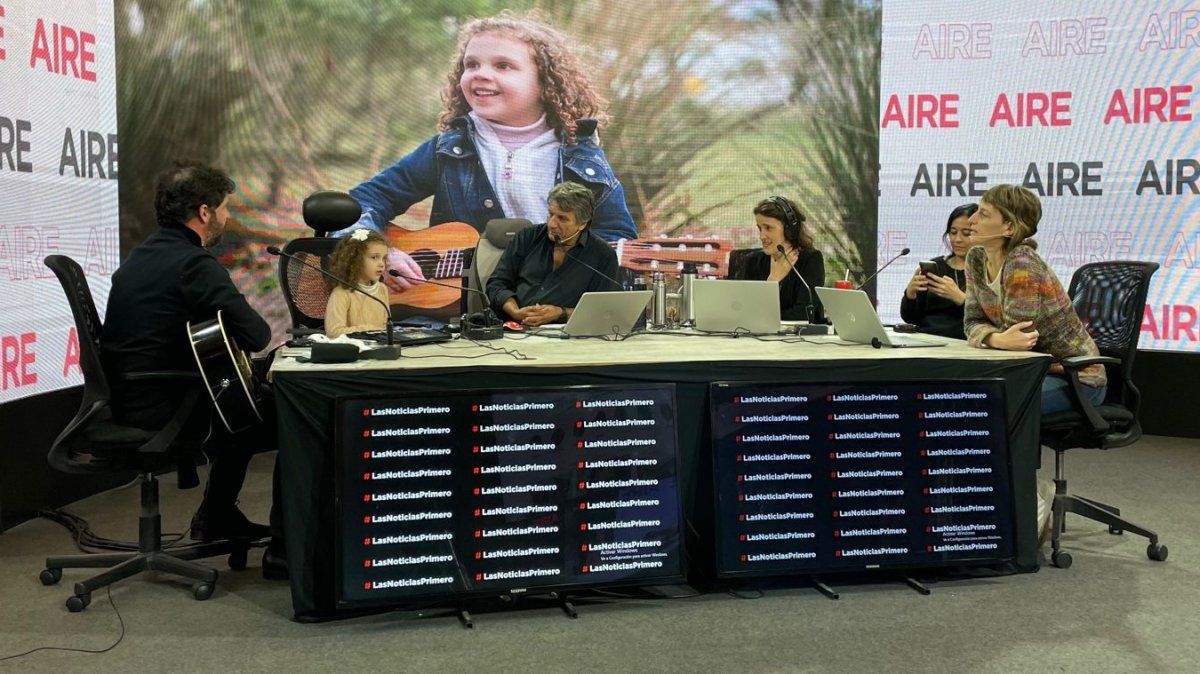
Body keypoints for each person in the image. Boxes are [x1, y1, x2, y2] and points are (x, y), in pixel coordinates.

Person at [346, 12, 638, 293]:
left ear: (545, 82)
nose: (481, 74)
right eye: (471, 64)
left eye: (503, 66)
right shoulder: (448, 150)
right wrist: (377, 252)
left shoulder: (582, 159)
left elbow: (616, 237)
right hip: (457, 314)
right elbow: (363, 201)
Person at [100, 161, 274, 549]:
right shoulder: (193, 264)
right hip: (162, 405)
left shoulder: (141, 256)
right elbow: (257, 335)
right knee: (268, 411)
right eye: (224, 207)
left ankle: (217, 516)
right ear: (204, 212)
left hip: (127, 398)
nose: (227, 217)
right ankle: (248, 528)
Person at [963, 184, 1106, 414]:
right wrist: (997, 339)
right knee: (960, 397)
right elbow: (972, 322)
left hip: (1076, 378)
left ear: (1009, 227)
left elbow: (1020, 341)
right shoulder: (976, 258)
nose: (971, 220)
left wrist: (990, 338)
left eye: (984, 214)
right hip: (1028, 372)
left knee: (988, 407)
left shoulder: (1022, 263)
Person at [486, 181, 619, 326]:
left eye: (562, 218)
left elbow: (602, 310)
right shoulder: (527, 237)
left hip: (566, 333)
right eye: (550, 214)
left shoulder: (603, 255)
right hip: (514, 327)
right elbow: (497, 284)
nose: (552, 224)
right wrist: (515, 312)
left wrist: (560, 313)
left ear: (582, 223)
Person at [731, 196, 825, 322]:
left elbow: (803, 314)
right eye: (760, 228)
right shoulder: (753, 261)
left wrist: (764, 316)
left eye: (768, 228)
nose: (762, 236)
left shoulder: (810, 260)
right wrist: (772, 280)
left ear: (789, 230)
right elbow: (745, 312)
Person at [900, 203, 976, 339]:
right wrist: (910, 294)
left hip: (961, 342)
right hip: (925, 339)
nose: (957, 239)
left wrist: (960, 298)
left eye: (966, 234)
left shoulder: (986, 270)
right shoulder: (937, 266)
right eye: (953, 232)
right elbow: (910, 317)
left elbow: (989, 320)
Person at [323, 229, 390, 337]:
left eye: (384, 258)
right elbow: (333, 332)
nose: (381, 264)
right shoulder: (341, 293)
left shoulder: (382, 289)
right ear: (354, 260)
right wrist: (368, 330)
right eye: (374, 257)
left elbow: (385, 327)